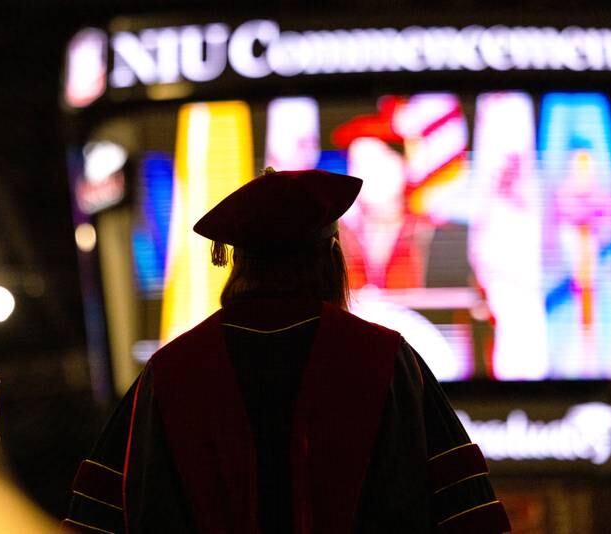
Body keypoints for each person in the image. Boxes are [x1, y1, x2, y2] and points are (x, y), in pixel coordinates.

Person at [61, 168, 511, 534]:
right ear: (330, 256)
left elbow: (97, 518)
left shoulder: (171, 372)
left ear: (236, 261)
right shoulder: (385, 361)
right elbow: (467, 516)